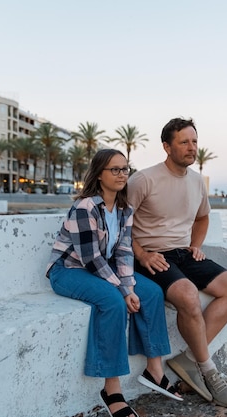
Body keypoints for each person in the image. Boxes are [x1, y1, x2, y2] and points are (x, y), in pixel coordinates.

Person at [46, 149, 182, 417]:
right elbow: (90, 259)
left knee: (152, 293)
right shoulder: (85, 208)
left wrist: (129, 287)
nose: (122, 175)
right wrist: (122, 291)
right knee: (113, 302)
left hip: (102, 268)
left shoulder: (124, 209)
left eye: (125, 169)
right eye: (115, 170)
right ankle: (112, 390)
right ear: (99, 175)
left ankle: (155, 370)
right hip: (69, 271)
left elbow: (123, 251)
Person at [127, 118, 227, 407]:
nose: (192, 147)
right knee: (188, 296)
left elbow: (203, 217)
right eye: (184, 142)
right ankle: (209, 371)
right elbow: (120, 224)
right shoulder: (143, 179)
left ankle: (189, 359)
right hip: (149, 256)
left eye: (194, 141)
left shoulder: (196, 181)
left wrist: (195, 245)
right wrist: (141, 254)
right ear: (167, 147)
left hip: (183, 252)